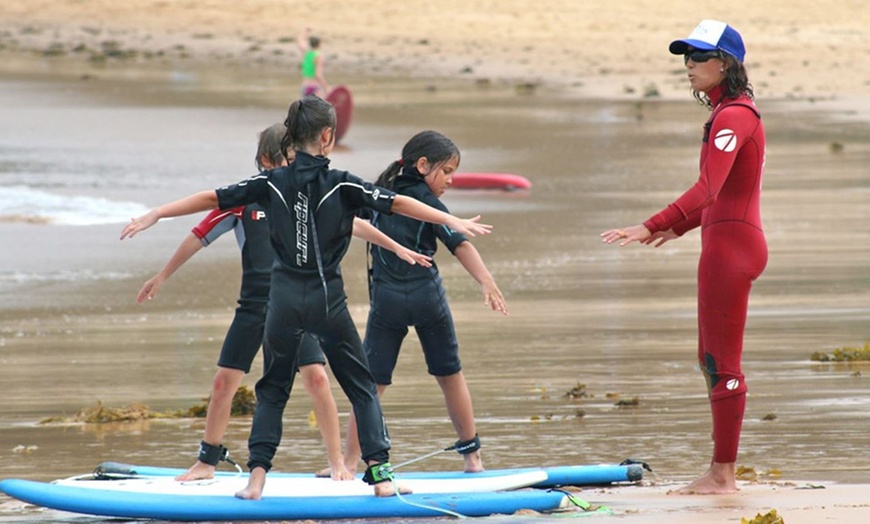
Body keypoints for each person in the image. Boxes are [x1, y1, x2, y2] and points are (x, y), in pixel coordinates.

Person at [120, 95, 494, 498]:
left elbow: (212, 198)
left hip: (282, 301)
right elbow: (398, 203)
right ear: (328, 136)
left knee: (272, 389)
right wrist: (448, 218)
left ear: (291, 139)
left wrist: (157, 212)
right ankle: (381, 476)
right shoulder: (343, 183)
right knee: (362, 386)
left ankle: (257, 478)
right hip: (327, 300)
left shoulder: (268, 183)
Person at [137, 123, 420, 483]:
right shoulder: (246, 198)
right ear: (268, 160)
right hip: (255, 305)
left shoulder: (306, 196)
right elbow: (198, 236)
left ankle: (337, 463)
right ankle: (206, 462)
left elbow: (352, 225)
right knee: (225, 381)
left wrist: (393, 246)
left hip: (293, 302)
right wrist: (162, 276)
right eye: (287, 159)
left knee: (317, 378)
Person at [601, 20, 766, 495]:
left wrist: (650, 223)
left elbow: (708, 189)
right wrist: (678, 227)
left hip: (731, 249)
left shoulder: (734, 116)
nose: (688, 67)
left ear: (726, 64)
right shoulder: (731, 113)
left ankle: (722, 475)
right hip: (727, 239)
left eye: (698, 58)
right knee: (711, 359)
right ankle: (721, 469)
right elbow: (724, 196)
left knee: (722, 363)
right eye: (685, 58)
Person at [319, 130, 507, 478]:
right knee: (449, 375)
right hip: (426, 299)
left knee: (369, 385)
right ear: (423, 165)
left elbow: (342, 221)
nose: (450, 180)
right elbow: (459, 244)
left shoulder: (377, 191)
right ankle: (473, 459)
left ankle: (347, 464)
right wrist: (486, 279)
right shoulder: (428, 204)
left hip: (387, 302)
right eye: (447, 171)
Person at [297, 28, 330, 98]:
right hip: (315, 88)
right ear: (319, 44)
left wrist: (306, 31)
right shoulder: (318, 56)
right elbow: (318, 75)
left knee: (303, 108)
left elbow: (299, 40)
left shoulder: (306, 52)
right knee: (318, 108)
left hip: (304, 86)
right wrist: (326, 87)